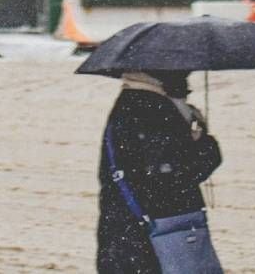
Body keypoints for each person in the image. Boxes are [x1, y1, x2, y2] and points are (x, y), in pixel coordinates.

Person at [95, 69, 223, 273]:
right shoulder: (154, 108)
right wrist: (204, 143)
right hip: (157, 232)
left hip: (127, 228)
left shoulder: (130, 102)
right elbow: (176, 174)